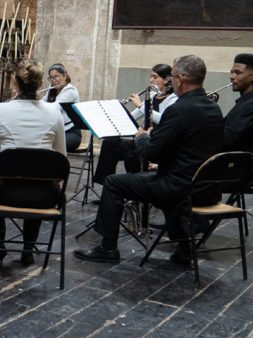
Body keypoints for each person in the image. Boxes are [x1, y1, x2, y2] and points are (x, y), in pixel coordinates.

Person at [75, 55, 224, 265]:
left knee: (113, 183)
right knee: (155, 178)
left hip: (179, 187)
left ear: (180, 79)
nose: (171, 81)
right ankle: (183, 249)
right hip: (205, 187)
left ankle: (107, 248)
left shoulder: (179, 109)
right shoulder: (213, 108)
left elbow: (152, 152)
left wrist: (142, 136)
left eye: (171, 76)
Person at [0, 60, 66, 266]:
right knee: (37, 178)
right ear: (40, 83)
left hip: (4, 192)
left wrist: (5, 148)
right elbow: (61, 157)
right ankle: (27, 249)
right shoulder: (54, 112)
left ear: (15, 81)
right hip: (45, 197)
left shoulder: (0, 109)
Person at [92, 63, 178, 185]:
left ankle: (135, 193)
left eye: (155, 77)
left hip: (157, 143)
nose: (151, 80)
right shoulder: (153, 95)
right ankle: (107, 185)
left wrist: (141, 105)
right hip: (142, 139)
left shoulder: (173, 99)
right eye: (151, 76)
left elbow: (163, 119)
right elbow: (133, 116)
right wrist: (120, 109)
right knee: (109, 143)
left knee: (131, 156)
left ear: (166, 80)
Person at [222, 53, 253, 156]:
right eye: (231, 72)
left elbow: (227, 140)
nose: (231, 77)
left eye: (237, 73)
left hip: (237, 165)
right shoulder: (247, 101)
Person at [43, 63, 81, 151]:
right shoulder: (52, 89)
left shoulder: (70, 91)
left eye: (56, 76)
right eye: (51, 77)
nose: (53, 80)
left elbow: (55, 108)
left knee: (51, 146)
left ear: (64, 76)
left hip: (70, 133)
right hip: (55, 131)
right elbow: (43, 102)